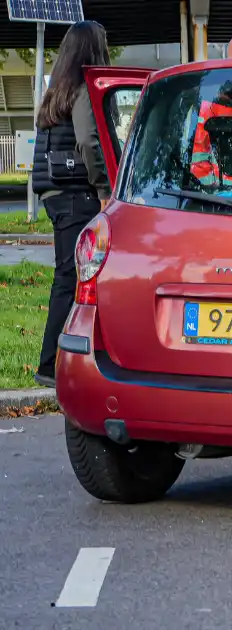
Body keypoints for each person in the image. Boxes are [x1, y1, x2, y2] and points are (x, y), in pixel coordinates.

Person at [29, 21, 111, 388]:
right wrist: (105, 188)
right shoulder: (81, 90)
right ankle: (51, 365)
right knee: (75, 278)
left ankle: (66, 359)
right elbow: (90, 142)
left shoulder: (54, 90)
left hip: (54, 193)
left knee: (69, 276)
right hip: (78, 194)